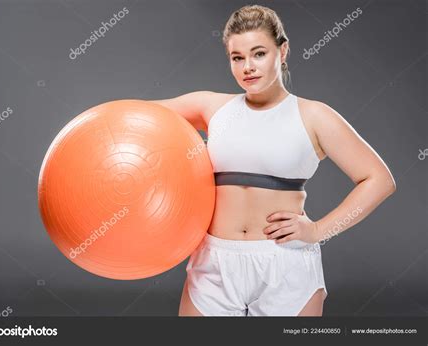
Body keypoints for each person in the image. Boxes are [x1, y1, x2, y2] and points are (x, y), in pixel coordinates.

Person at [149, 5, 396, 316]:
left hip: (286, 264)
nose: (247, 67)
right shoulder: (211, 107)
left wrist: (318, 231)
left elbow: (379, 180)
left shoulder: (313, 115)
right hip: (215, 264)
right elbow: (132, 116)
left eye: (259, 54)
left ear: (283, 51)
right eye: (237, 58)